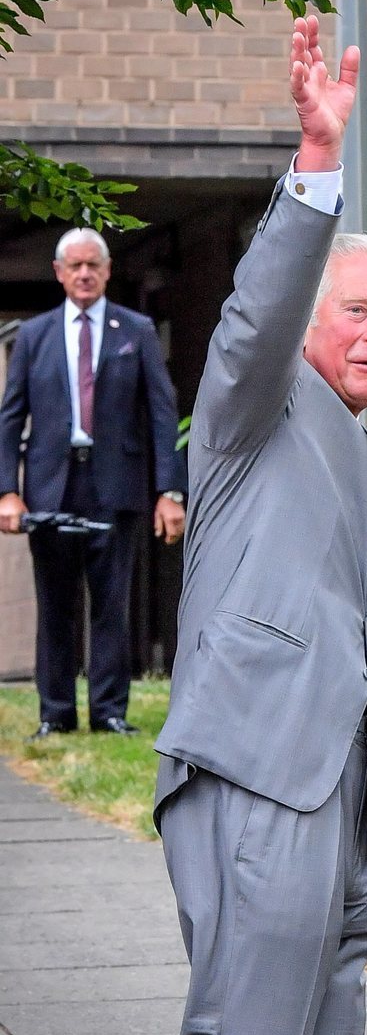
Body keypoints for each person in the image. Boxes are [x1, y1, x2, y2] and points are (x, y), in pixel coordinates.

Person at [97, 18, 367, 1035]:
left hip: (338, 782)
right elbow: (259, 311)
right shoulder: (248, 404)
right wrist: (315, 164)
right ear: (307, 325)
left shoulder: (360, 450)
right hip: (254, 772)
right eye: (358, 310)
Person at [0, 229, 185, 738]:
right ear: (59, 273)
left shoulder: (138, 330)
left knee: (111, 605)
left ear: (106, 271)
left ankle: (109, 712)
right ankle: (54, 714)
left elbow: (162, 415)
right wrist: (6, 491)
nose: (84, 274)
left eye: (93, 265)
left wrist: (170, 492)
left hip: (117, 483)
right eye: (74, 266)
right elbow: (10, 418)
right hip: (50, 486)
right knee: (55, 605)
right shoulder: (33, 337)